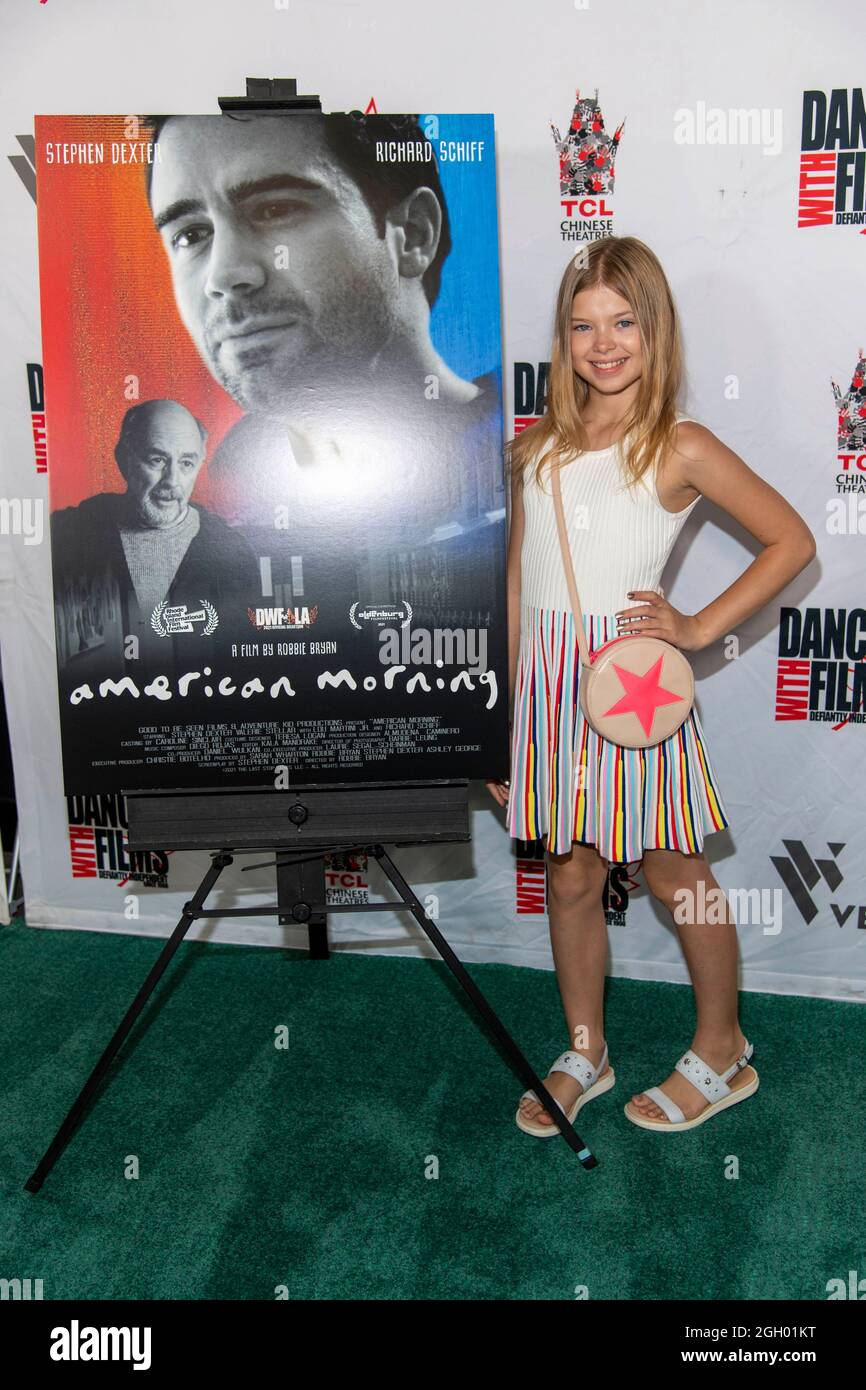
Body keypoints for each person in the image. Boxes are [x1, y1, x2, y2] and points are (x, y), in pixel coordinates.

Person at [486, 236, 816, 1136]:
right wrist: (504, 721)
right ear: (564, 336)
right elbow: (518, 583)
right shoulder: (534, 450)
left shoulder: (680, 445)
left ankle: (723, 1048)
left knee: (678, 875)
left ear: (654, 328)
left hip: (632, 691)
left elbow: (792, 540)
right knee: (569, 876)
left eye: (623, 322)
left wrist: (701, 627)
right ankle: (584, 1048)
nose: (604, 343)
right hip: (551, 692)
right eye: (584, 324)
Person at [144, 112, 502, 545]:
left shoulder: (524, 456)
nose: (222, 275)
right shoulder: (206, 504)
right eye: (190, 235)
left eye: (275, 209)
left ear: (412, 235)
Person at [51, 399, 260, 671]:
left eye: (186, 463)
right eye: (157, 460)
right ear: (123, 460)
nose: (172, 480)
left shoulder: (233, 554)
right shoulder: (70, 533)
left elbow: (246, 663)